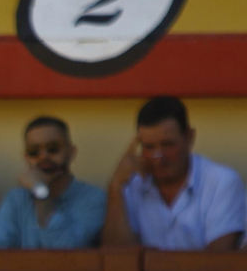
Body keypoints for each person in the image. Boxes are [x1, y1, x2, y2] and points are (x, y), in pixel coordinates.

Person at [103, 96, 245, 252]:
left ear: (189, 137)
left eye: (167, 145)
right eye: (149, 147)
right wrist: (115, 187)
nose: (158, 157)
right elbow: (117, 259)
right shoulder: (131, 185)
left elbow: (218, 261)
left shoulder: (221, 182)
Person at [0, 117, 107, 249]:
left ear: (71, 151)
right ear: (26, 158)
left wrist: (41, 193)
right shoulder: (15, 199)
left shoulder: (94, 198)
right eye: (34, 151)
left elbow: (65, 254)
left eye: (53, 148)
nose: (44, 157)